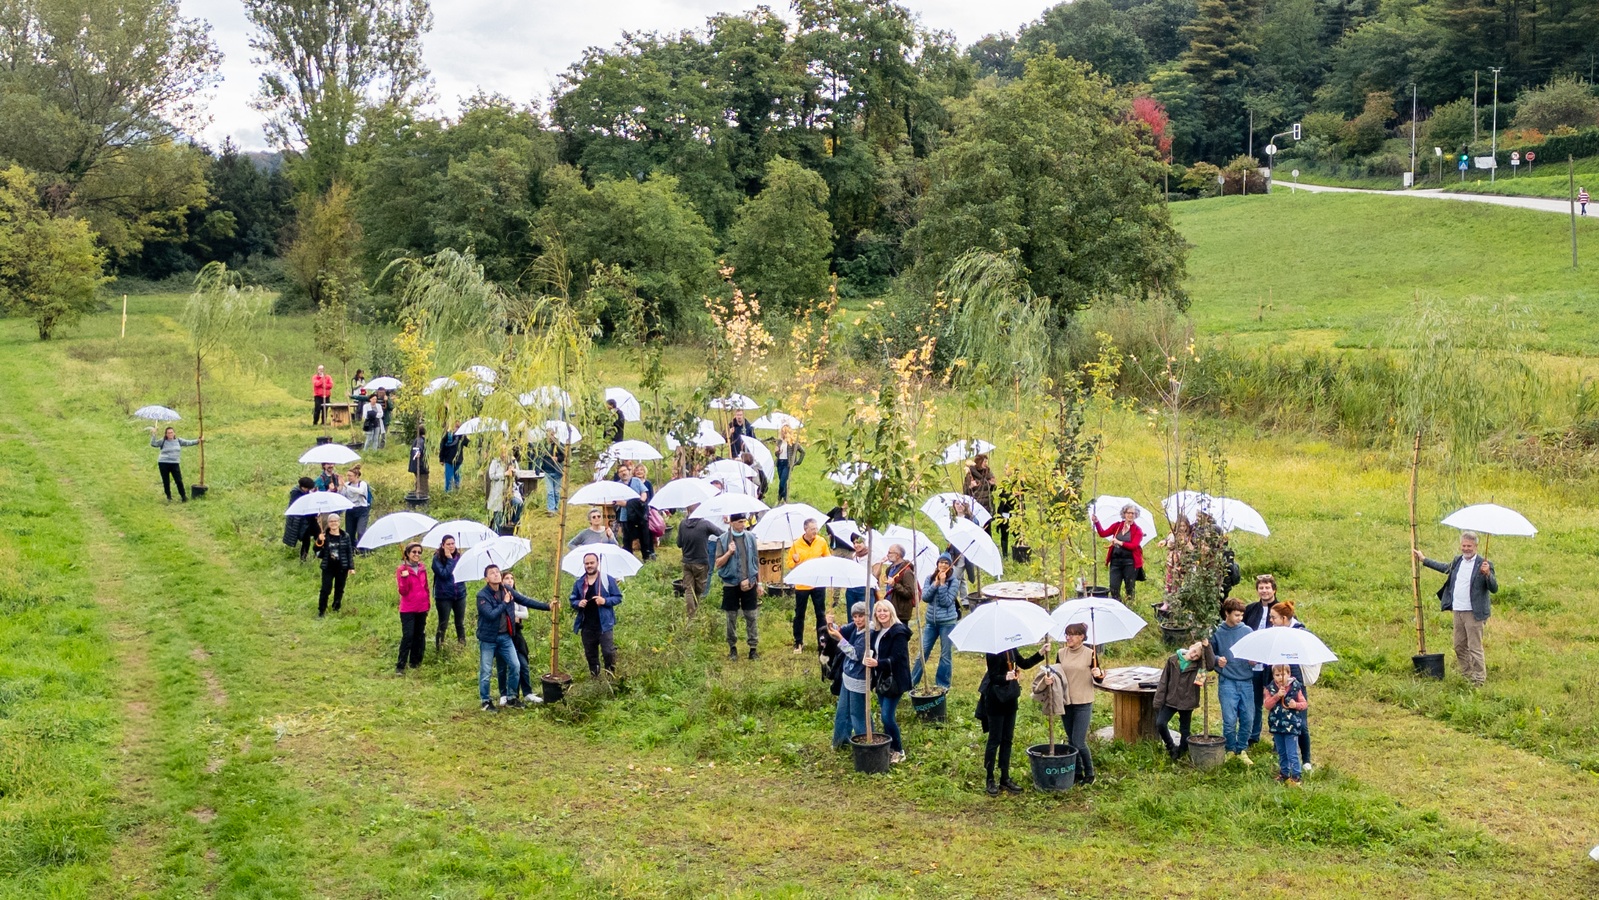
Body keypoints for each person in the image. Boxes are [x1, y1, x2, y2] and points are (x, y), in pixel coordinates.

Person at [1415, 531, 1497, 687]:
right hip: (1457, 610)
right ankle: (1467, 674)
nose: (1466, 549)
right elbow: (1445, 568)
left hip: (1474, 613)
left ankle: (1479, 679)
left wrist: (1487, 575)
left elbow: (1494, 588)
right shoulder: (1458, 560)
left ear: (1476, 546)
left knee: (1474, 647)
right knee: (1459, 645)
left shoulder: (1484, 564)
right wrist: (1424, 560)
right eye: (1464, 545)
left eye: (1469, 546)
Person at [976, 645, 1044, 795]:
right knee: (995, 740)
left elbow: (1024, 663)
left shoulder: (1011, 648)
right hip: (995, 700)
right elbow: (993, 677)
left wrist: (1040, 653)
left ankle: (1005, 778)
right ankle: (990, 778)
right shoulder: (992, 651)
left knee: (1008, 739)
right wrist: (1005, 677)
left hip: (1009, 699)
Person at [474, 565, 538, 709]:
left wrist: (547, 606)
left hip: (505, 636)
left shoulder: (506, 590)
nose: (496, 574)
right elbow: (491, 615)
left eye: (497, 572)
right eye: (492, 573)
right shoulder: (482, 595)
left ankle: (511, 697)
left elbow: (524, 600)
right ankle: (485, 701)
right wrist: (505, 603)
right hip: (488, 638)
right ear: (486, 579)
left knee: (516, 665)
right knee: (486, 670)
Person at [1052, 623, 1103, 785]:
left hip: (1083, 702)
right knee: (1071, 739)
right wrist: (1049, 679)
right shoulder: (1061, 653)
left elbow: (1099, 678)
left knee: (1079, 741)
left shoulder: (1091, 654)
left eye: (1073, 635)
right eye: (1067, 634)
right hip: (1066, 701)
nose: (1069, 638)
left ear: (1082, 637)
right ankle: (1077, 772)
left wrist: (1098, 674)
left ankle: (1090, 773)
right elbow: (1057, 674)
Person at [1210, 597, 1256, 763]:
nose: (1240, 619)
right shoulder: (1217, 632)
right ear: (1227, 613)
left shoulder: (1247, 631)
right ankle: (1230, 749)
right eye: (1236, 615)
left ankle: (1242, 748)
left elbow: (1254, 655)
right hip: (1227, 681)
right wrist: (1217, 660)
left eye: (1241, 615)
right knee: (1229, 719)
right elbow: (1209, 654)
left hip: (1246, 681)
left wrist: (1253, 661)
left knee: (1248, 717)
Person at [865, 600, 911, 763]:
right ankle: (890, 748)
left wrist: (879, 663)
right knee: (886, 715)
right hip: (881, 679)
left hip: (895, 680)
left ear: (891, 612)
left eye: (885, 610)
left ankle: (899, 749)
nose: (882, 614)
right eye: (879, 611)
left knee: (886, 716)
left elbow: (898, 658)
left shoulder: (898, 632)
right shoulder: (877, 631)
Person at [1153, 641, 1214, 761]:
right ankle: (1170, 746)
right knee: (1160, 723)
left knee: (1185, 729)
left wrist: (1207, 647)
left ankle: (1182, 751)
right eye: (1194, 652)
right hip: (1171, 700)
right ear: (1190, 647)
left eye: (1197, 656)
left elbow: (1211, 665)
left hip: (1187, 701)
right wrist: (1158, 700)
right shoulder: (1173, 660)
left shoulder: (1198, 665)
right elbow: (1164, 681)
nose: (1194, 656)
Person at [713, 512, 761, 660]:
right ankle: (732, 647)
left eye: (744, 522)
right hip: (730, 584)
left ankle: (753, 648)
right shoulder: (723, 539)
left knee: (751, 615)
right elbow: (718, 563)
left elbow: (756, 561)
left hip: (749, 582)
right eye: (740, 522)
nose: (743, 525)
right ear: (732, 523)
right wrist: (729, 552)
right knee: (731, 616)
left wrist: (758, 582)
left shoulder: (751, 538)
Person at [911, 554, 962, 692]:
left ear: (950, 565)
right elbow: (926, 597)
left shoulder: (954, 581)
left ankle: (943, 685)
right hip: (931, 623)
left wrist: (943, 584)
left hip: (947, 622)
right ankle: (912, 682)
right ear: (937, 564)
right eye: (941, 562)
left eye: (946, 563)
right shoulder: (929, 578)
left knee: (945, 655)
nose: (943, 565)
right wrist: (936, 583)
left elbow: (946, 601)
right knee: (922, 652)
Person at [569, 551, 623, 677]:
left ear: (597, 563)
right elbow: (572, 599)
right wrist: (578, 603)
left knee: (608, 652)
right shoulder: (579, 582)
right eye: (587, 563)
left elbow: (618, 597)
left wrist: (605, 601)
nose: (589, 565)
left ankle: (611, 676)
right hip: (587, 625)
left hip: (604, 624)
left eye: (592, 563)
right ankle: (595, 677)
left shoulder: (607, 579)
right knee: (590, 654)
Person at [826, 603, 870, 749]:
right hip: (847, 676)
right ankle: (840, 742)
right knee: (842, 712)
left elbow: (856, 654)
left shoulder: (868, 633)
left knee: (858, 715)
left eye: (861, 616)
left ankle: (865, 744)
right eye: (855, 616)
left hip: (859, 678)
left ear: (867, 615)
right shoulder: (855, 627)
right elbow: (837, 630)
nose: (858, 620)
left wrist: (840, 638)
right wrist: (830, 623)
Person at [501, 571, 550, 701]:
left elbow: (525, 614)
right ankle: (510, 694)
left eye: (512, 578)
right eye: (506, 578)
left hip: (517, 633)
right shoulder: (499, 596)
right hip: (504, 634)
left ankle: (527, 692)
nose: (510, 581)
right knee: (509, 665)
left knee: (523, 663)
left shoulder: (518, 596)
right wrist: (512, 614)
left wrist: (512, 613)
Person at [786, 518, 831, 653]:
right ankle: (798, 642)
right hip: (802, 585)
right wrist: (795, 561)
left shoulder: (821, 541)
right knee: (799, 614)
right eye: (812, 529)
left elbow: (828, 558)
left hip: (818, 583)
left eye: (816, 529)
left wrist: (822, 561)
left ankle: (822, 641)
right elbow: (790, 565)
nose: (815, 532)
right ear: (805, 529)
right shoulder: (796, 545)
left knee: (820, 613)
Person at [1244, 574, 1279, 747]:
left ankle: (1277, 737)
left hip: (1274, 666)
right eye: (1261, 588)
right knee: (1255, 701)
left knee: (1276, 701)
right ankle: (1253, 735)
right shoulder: (1250, 609)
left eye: (1267, 587)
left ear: (1274, 589)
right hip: (1253, 665)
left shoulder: (1280, 610)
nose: (1264, 591)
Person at [1262, 664, 1308, 785]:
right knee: (1281, 751)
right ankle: (1284, 773)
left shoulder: (1295, 687)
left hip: (1291, 726)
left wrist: (1296, 705)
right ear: (1273, 676)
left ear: (1289, 674)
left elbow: (1304, 704)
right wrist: (1277, 696)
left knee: (1291, 751)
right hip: (1276, 725)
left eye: (1283, 674)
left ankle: (1296, 775)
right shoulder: (1270, 688)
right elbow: (1267, 705)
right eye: (1277, 675)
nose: (1280, 677)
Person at [1093, 504, 1144, 602]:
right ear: (1124, 514)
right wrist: (1096, 522)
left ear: (1135, 515)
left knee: (1129, 588)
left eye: (1133, 513)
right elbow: (1102, 533)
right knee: (1113, 587)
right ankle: (1117, 604)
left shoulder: (1137, 530)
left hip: (1130, 563)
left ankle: (1129, 606)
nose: (1130, 515)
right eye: (1128, 513)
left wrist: (1119, 542)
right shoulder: (1117, 526)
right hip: (1116, 562)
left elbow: (1134, 546)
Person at [394, 542, 430, 674]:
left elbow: (426, 586)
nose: (417, 554)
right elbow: (403, 591)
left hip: (422, 606)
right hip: (408, 608)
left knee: (419, 635)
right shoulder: (402, 569)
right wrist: (404, 578)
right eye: (414, 552)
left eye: (419, 552)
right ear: (407, 554)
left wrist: (428, 603)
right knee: (408, 636)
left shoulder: (422, 568)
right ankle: (400, 665)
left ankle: (415, 662)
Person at [677, 504, 718, 618]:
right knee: (699, 590)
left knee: (689, 590)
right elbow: (721, 533)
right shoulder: (705, 524)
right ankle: (696, 612)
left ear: (687, 510)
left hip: (686, 562)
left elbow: (679, 543)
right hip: (701, 563)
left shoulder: (682, 524)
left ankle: (691, 615)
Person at [315, 513, 356, 616]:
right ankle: (321, 611)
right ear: (328, 523)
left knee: (339, 589)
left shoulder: (345, 536)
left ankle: (336, 608)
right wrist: (319, 540)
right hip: (328, 567)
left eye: (335, 521)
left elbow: (349, 552)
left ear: (339, 522)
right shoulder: (324, 535)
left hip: (342, 567)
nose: (333, 523)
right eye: (331, 521)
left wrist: (351, 567)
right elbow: (316, 550)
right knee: (325, 589)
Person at [432, 536, 467, 648]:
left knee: (460, 623)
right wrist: (450, 560)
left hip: (459, 594)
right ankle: (439, 646)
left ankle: (462, 646)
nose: (451, 546)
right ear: (443, 545)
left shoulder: (459, 556)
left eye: (453, 543)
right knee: (443, 623)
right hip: (444, 596)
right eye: (448, 544)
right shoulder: (437, 559)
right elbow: (444, 574)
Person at [148, 426, 199, 502]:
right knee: (166, 480)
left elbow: (188, 442)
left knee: (178, 480)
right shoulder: (163, 441)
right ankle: (168, 496)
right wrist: (154, 434)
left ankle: (183, 496)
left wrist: (198, 441)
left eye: (171, 432)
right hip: (163, 463)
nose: (170, 434)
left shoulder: (178, 440)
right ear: (166, 434)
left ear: (174, 433)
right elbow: (153, 444)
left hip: (175, 463)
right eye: (168, 433)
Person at [877, 544, 918, 623]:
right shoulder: (890, 569)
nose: (887, 555)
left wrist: (894, 585)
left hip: (900, 612)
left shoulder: (907, 572)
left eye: (890, 552)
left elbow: (909, 593)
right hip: (890, 609)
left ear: (897, 555)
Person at [623, 462, 655, 560]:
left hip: (643, 511)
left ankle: (648, 554)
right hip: (628, 514)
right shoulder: (623, 483)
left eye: (641, 470)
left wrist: (643, 503)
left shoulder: (643, 483)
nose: (639, 472)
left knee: (646, 534)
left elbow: (647, 495)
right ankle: (629, 557)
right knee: (628, 537)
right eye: (637, 470)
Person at [340, 465, 372, 543]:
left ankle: (363, 549)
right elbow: (342, 495)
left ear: (357, 476)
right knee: (349, 533)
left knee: (361, 531)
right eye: (347, 475)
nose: (349, 477)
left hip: (362, 510)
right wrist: (341, 487)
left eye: (350, 476)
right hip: (350, 510)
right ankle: (352, 549)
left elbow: (360, 491)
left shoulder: (362, 484)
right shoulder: (347, 484)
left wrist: (346, 486)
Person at [534, 434, 565, 514]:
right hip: (548, 471)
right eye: (548, 435)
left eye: (552, 434)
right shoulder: (543, 445)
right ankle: (551, 509)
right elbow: (538, 457)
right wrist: (538, 469)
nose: (550, 437)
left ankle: (556, 508)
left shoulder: (558, 444)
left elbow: (563, 456)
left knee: (556, 491)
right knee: (550, 492)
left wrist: (557, 458)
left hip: (557, 471)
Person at [963, 453, 996, 525]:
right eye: (984, 462)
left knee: (987, 530)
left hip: (987, 507)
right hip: (977, 507)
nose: (986, 464)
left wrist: (993, 485)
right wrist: (970, 487)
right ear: (979, 462)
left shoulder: (988, 473)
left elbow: (991, 490)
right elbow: (965, 492)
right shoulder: (970, 475)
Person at [487, 447, 513, 529]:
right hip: (497, 490)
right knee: (497, 512)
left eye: (505, 451)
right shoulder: (495, 462)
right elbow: (491, 476)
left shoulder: (510, 461)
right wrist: (503, 474)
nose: (504, 454)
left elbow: (518, 474)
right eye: (502, 452)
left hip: (508, 491)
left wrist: (513, 469)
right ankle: (496, 531)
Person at [843, 533, 870, 610]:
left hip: (865, 588)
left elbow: (875, 575)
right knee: (852, 615)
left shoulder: (872, 555)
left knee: (865, 615)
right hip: (852, 587)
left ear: (864, 542)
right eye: (854, 543)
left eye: (858, 542)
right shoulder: (854, 555)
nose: (855, 545)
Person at [439, 428, 468, 492]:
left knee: (457, 477)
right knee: (449, 477)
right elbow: (442, 446)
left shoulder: (461, 435)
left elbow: (468, 444)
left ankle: (456, 490)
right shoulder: (447, 434)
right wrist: (441, 458)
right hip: (449, 459)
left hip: (458, 460)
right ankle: (448, 492)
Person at [774, 424, 797, 502]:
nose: (784, 433)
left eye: (785, 432)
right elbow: (776, 454)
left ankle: (779, 498)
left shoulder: (791, 442)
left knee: (782, 483)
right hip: (780, 463)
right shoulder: (779, 441)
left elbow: (800, 451)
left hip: (787, 464)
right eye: (783, 432)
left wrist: (796, 462)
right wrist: (777, 452)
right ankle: (785, 500)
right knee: (783, 482)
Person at [408, 424, 429, 497]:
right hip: (420, 466)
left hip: (415, 466)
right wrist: (418, 453)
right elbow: (418, 449)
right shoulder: (420, 441)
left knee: (418, 482)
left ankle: (418, 494)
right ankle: (422, 498)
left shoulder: (417, 439)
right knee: (423, 485)